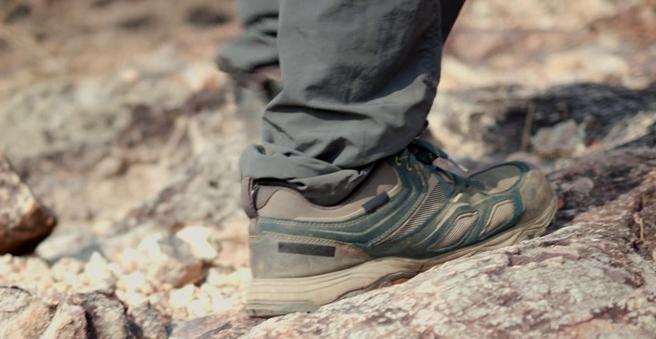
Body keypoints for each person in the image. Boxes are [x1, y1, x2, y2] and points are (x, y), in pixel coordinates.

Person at [216, 1, 558, 317]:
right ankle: (338, 166)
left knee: (282, 46)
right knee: (328, 140)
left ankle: (285, 78)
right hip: (338, 163)